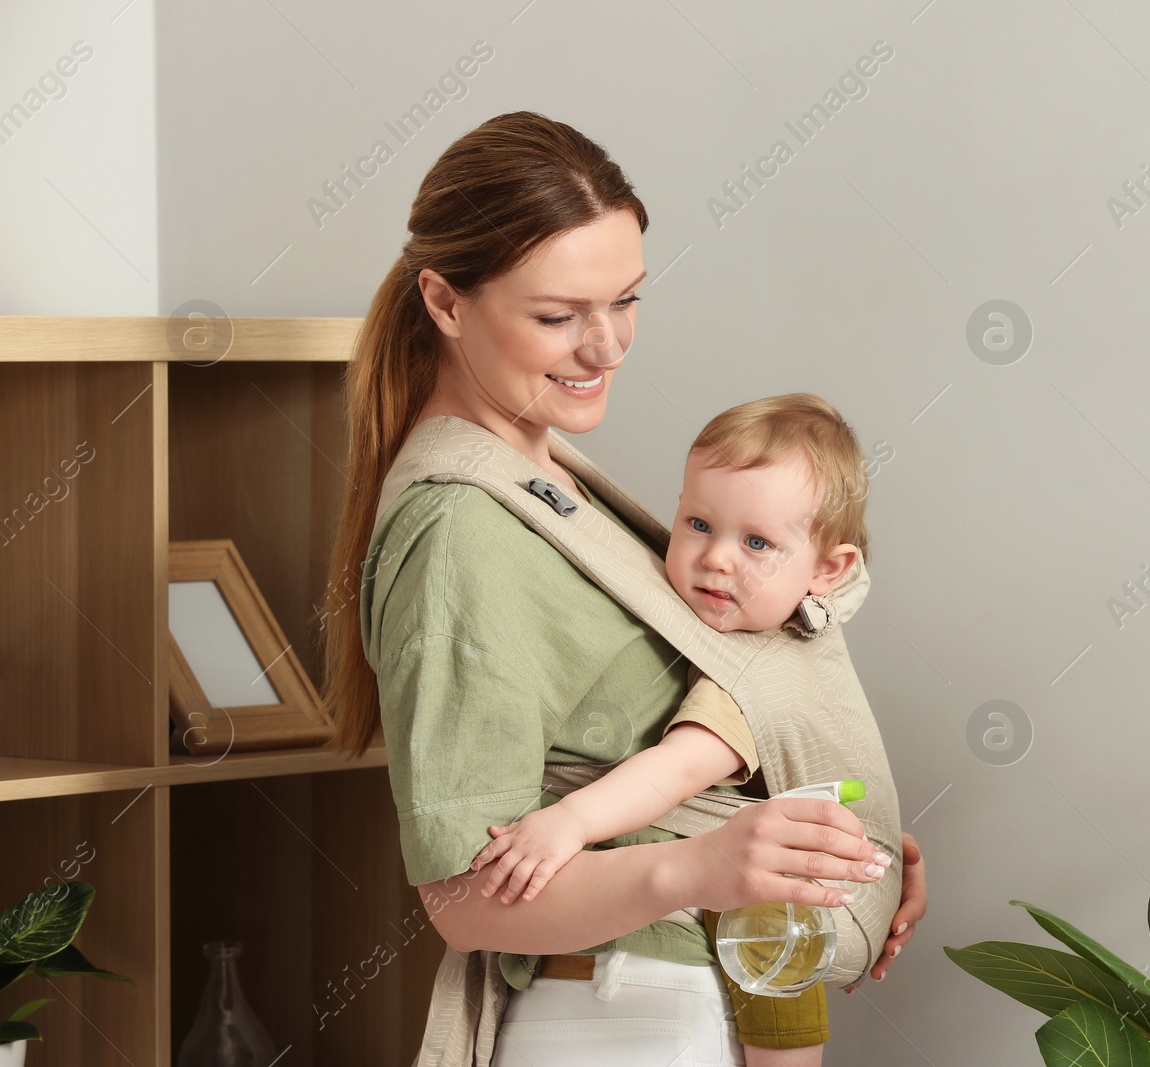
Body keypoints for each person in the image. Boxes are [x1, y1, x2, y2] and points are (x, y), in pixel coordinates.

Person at [320, 110, 927, 1066]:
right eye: (559, 316)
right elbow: (465, 903)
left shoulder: (550, 486)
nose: (608, 348)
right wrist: (706, 862)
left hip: (689, 998)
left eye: (628, 300)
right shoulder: (460, 531)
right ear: (444, 302)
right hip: (629, 1020)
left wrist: (824, 853)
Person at [467, 392, 883, 1066]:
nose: (716, 557)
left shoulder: (757, 668)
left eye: (756, 542)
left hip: (758, 912)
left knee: (778, 953)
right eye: (697, 523)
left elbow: (678, 767)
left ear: (826, 570)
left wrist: (568, 821)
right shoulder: (718, 629)